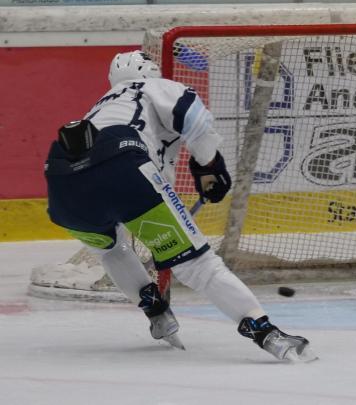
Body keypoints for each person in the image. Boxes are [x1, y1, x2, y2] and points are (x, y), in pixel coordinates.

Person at [44, 50, 315, 362]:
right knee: (197, 265)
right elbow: (196, 121)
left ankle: (155, 310)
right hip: (124, 169)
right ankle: (265, 332)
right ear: (151, 72)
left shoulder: (99, 109)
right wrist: (209, 167)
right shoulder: (152, 87)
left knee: (110, 250)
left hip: (62, 183)